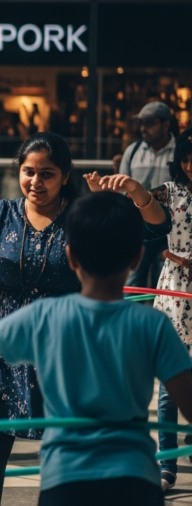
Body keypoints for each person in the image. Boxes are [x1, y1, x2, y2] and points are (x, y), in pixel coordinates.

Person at [0, 132, 170, 505]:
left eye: (47, 174)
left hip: (65, 340)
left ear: (65, 175)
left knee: (69, 447)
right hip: (6, 338)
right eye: (28, 172)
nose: (35, 182)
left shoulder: (81, 214)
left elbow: (155, 228)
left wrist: (136, 192)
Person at [85, 129, 192, 491]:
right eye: (187, 158)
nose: (191, 165)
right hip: (176, 291)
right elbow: (146, 209)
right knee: (167, 384)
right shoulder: (172, 191)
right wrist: (125, 188)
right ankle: (166, 463)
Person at [119, 101, 176, 288]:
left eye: (149, 123)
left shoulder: (180, 154)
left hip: (169, 231)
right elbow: (121, 191)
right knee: (132, 286)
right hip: (138, 230)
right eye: (141, 123)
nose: (143, 128)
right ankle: (130, 318)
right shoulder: (133, 151)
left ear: (166, 124)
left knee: (166, 286)